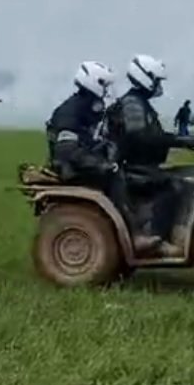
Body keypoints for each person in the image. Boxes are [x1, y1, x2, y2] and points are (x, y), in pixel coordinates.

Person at [45, 62, 158, 250]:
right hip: (70, 168)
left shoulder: (87, 106)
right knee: (116, 177)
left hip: (78, 162)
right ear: (93, 82)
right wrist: (101, 165)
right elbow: (68, 151)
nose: (107, 90)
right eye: (104, 85)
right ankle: (135, 234)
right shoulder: (70, 112)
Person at [105, 54, 194, 255]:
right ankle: (154, 238)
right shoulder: (132, 103)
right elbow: (141, 137)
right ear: (145, 77)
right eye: (157, 80)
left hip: (138, 164)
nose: (159, 85)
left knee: (182, 175)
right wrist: (180, 141)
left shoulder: (140, 102)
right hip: (131, 167)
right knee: (173, 186)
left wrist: (183, 140)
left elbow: (153, 135)